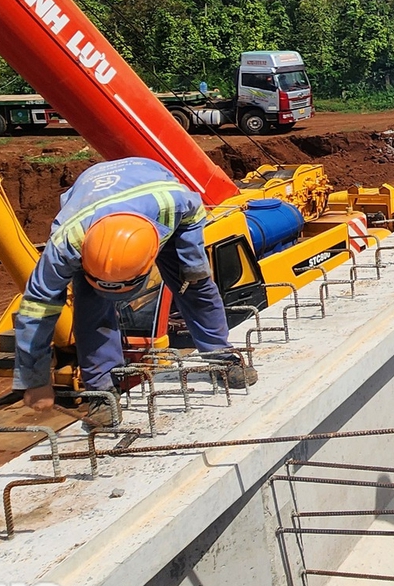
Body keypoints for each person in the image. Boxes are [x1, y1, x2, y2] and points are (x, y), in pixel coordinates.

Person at [16, 157, 257, 425]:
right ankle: (102, 392)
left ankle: (220, 355)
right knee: (90, 311)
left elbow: (194, 214)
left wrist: (193, 263)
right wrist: (34, 379)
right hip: (94, 211)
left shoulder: (171, 204)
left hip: (151, 207)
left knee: (195, 285)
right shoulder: (67, 244)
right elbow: (36, 308)